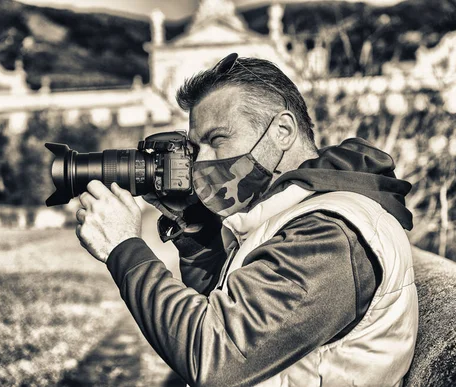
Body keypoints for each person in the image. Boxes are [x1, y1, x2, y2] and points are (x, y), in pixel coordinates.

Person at [75, 53, 419, 387]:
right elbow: (222, 305)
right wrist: (195, 230)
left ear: (282, 130)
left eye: (217, 140)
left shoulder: (331, 235)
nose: (201, 162)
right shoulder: (290, 212)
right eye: (196, 149)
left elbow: (214, 355)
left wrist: (123, 247)